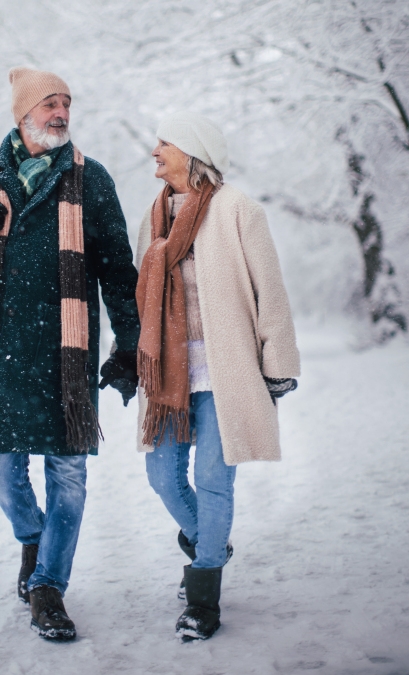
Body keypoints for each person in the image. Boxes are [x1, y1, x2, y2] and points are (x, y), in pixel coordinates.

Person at [0, 67, 139, 641]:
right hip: (2, 352)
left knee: (68, 478)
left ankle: (48, 586)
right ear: (22, 115)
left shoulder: (90, 179)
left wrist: (129, 344)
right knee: (1, 472)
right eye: (50, 103)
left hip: (67, 354)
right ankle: (34, 537)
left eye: (66, 103)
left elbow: (119, 272)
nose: (61, 113)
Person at [135, 112, 300, 641]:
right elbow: (140, 300)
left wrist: (278, 366)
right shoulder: (153, 217)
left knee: (212, 480)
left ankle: (204, 593)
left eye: (166, 142)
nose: (155, 149)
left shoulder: (237, 210)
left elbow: (269, 292)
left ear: (192, 151)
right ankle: (210, 541)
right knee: (162, 476)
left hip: (225, 370)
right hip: (169, 375)